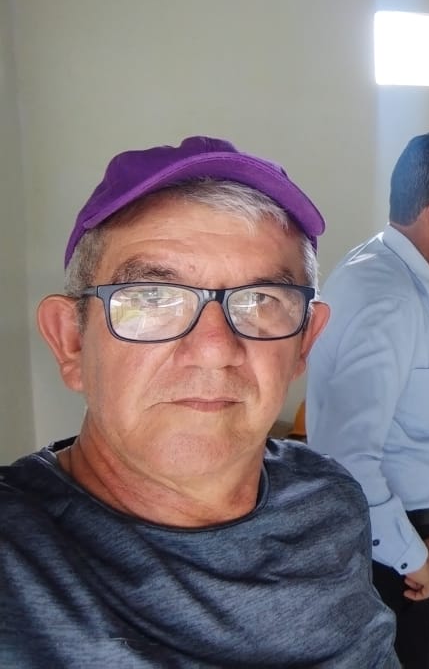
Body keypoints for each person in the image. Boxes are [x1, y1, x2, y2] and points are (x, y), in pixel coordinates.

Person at [0, 136, 399, 668]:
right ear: (72, 341)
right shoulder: (18, 557)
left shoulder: (331, 499)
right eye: (152, 297)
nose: (214, 349)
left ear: (305, 343)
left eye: (260, 300)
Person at [306, 131, 429, 669]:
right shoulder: (388, 300)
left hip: (403, 527)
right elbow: (348, 455)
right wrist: (411, 556)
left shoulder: (381, 265)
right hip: (399, 536)